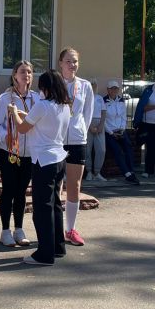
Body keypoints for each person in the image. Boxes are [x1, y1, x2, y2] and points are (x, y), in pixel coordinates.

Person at [10, 69, 72, 266]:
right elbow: (39, 121)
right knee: (55, 205)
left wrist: (14, 113)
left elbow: (22, 128)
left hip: (43, 161)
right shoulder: (64, 106)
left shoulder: (42, 105)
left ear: (45, 87)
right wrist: (24, 114)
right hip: (59, 159)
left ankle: (45, 254)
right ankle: (57, 247)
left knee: (42, 209)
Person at [56, 48, 96, 247]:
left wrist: (80, 131)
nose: (72, 65)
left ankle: (70, 229)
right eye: (68, 61)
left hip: (77, 140)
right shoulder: (54, 83)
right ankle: (55, 230)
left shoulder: (85, 85)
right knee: (56, 185)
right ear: (60, 63)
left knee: (75, 185)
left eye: (75, 61)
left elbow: (87, 114)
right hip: (56, 140)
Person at [0, 61, 36, 247]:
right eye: (22, 72)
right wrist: (5, 136)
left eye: (29, 72)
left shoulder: (36, 98)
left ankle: (19, 229)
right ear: (14, 75)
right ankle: (5, 231)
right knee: (9, 190)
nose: (26, 75)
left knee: (21, 192)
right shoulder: (5, 98)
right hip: (10, 152)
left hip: (29, 153)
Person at [102, 80, 140, 184]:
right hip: (109, 132)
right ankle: (127, 174)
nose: (114, 90)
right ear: (108, 90)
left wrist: (122, 129)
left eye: (116, 88)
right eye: (112, 88)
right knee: (117, 150)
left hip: (121, 131)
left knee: (128, 147)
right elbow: (103, 120)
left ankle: (131, 171)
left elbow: (123, 117)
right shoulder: (103, 101)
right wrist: (111, 133)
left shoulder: (121, 101)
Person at [86, 79, 108, 183]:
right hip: (88, 124)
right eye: (91, 84)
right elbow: (83, 113)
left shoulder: (99, 98)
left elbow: (103, 112)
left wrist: (101, 126)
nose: (93, 86)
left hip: (99, 124)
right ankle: (89, 172)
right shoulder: (85, 97)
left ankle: (97, 172)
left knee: (101, 149)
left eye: (94, 84)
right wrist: (90, 126)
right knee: (87, 149)